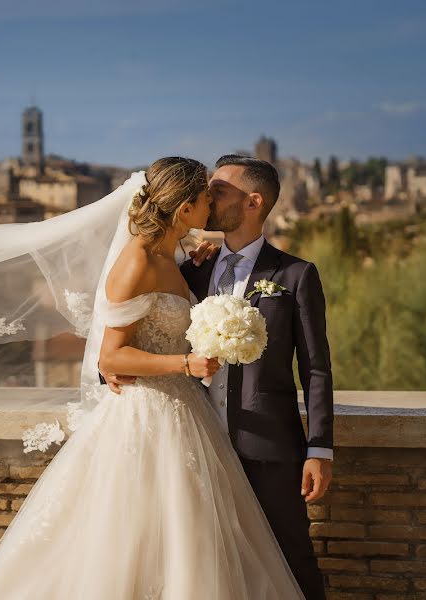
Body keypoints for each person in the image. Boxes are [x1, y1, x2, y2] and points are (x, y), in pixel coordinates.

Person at [0, 157, 305, 599]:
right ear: (184, 208)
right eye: (207, 199)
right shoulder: (138, 261)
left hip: (185, 412)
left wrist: (196, 254)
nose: (211, 208)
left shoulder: (177, 256)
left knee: (191, 536)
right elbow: (111, 356)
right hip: (146, 414)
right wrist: (183, 366)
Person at [102, 155, 334, 600]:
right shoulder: (190, 268)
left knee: (290, 559)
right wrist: (109, 369)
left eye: (220, 190)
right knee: (202, 566)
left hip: (267, 446)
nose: (209, 197)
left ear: (254, 202)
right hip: (189, 444)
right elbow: (137, 330)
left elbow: (316, 369)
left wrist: (319, 448)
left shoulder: (295, 275)